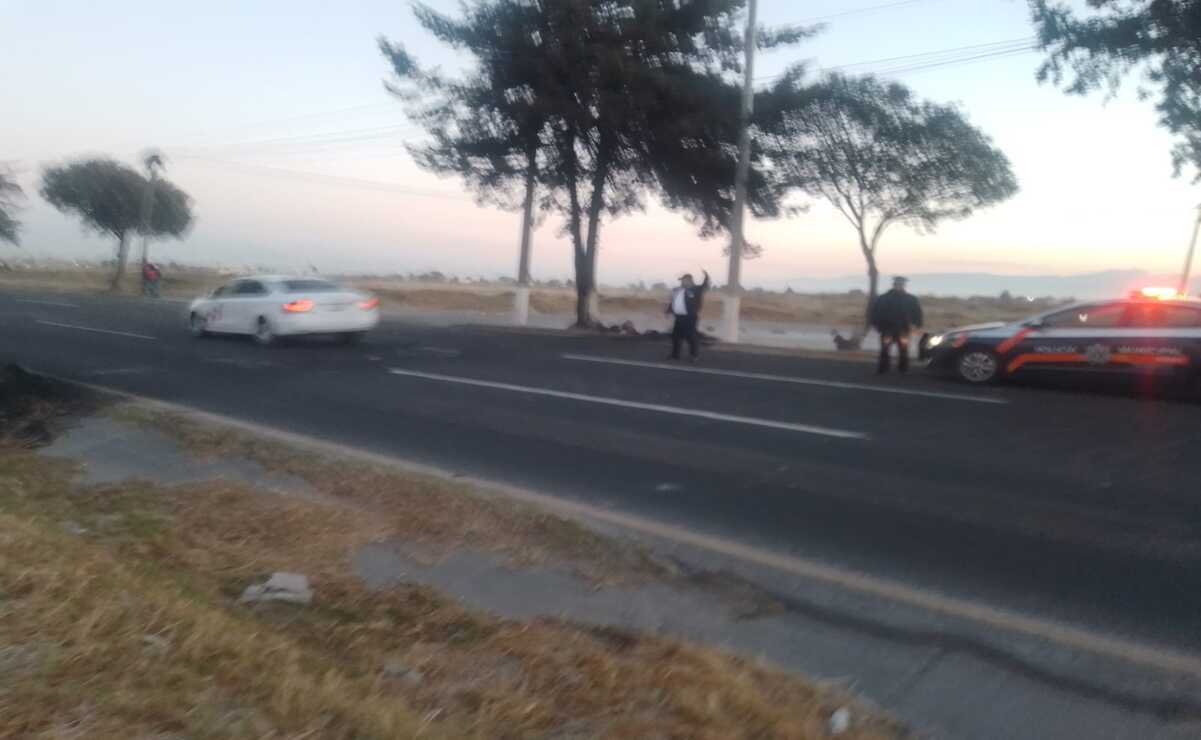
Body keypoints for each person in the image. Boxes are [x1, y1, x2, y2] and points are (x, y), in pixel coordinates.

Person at [870, 276, 923, 374]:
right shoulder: (884, 298)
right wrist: (876, 324)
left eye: (901, 284)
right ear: (894, 285)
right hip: (887, 328)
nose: (900, 286)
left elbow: (917, 313)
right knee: (885, 349)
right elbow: (876, 312)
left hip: (903, 329)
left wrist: (917, 324)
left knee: (903, 349)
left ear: (904, 285)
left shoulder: (910, 299)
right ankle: (883, 368)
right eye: (898, 284)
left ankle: (902, 369)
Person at [666, 269, 710, 361]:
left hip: (690, 317)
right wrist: (668, 311)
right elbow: (673, 302)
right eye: (681, 280)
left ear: (689, 280)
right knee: (675, 336)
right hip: (679, 317)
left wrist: (706, 277)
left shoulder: (696, 289)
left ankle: (694, 355)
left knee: (691, 336)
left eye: (684, 280)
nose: (682, 282)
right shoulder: (677, 290)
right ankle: (675, 355)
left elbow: (705, 286)